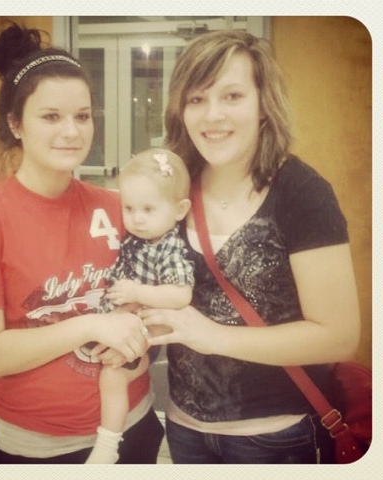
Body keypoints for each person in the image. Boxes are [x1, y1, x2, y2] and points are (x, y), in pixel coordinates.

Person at [0, 23, 164, 464]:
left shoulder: (118, 207)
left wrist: (139, 338)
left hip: (133, 424)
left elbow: (153, 301)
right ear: (15, 123)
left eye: (83, 116)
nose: (72, 131)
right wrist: (91, 326)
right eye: (51, 117)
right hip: (41, 448)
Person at [139, 30, 361, 464]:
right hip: (183, 428)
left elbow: (338, 337)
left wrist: (214, 336)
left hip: (276, 437)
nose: (212, 115)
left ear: (263, 104)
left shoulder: (302, 192)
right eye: (197, 99)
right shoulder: (174, 185)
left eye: (232, 96)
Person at [86, 148, 194, 463]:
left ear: (179, 210)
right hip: (131, 317)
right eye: (129, 208)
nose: (137, 218)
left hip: (151, 325)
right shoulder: (138, 238)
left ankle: (107, 446)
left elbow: (181, 295)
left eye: (148, 208)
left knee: (113, 376)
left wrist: (137, 292)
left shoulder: (169, 247)